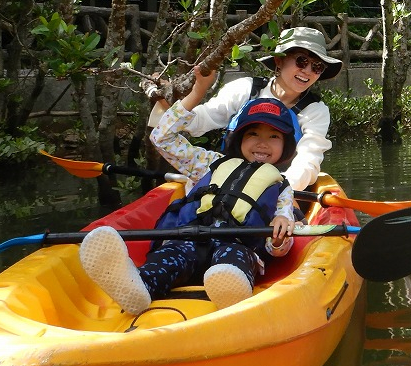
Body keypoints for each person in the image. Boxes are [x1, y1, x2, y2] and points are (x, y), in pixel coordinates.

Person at [81, 87, 301, 314]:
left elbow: (277, 246)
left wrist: (278, 240)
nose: (262, 143)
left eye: (273, 136)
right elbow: (162, 138)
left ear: (286, 146)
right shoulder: (209, 162)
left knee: (234, 260)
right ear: (239, 138)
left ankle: (232, 290)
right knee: (169, 256)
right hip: (188, 239)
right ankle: (140, 287)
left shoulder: (281, 187)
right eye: (253, 133)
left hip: (235, 246)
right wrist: (197, 91)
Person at [149, 25, 340, 194]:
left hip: (277, 189)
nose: (307, 71)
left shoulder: (315, 111)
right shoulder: (245, 89)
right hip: (224, 181)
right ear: (279, 61)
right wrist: (193, 94)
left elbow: (308, 161)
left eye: (317, 67)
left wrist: (273, 191)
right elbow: (197, 123)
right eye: (301, 61)